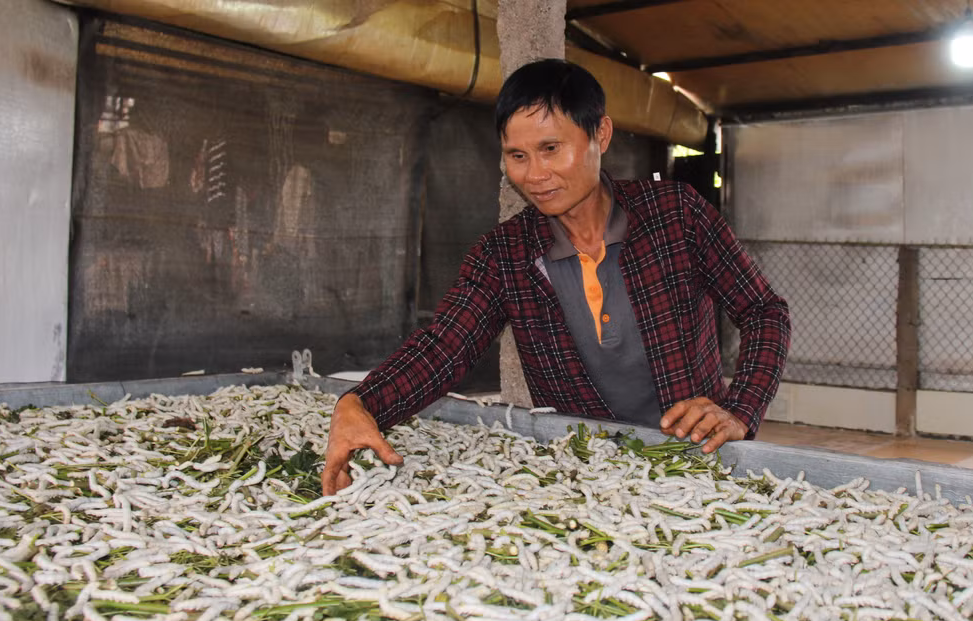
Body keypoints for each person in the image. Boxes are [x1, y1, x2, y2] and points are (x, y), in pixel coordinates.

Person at [321, 59, 790, 496]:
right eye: (517, 155)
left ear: (600, 134)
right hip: (587, 474)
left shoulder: (675, 215)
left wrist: (739, 410)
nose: (535, 174)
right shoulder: (505, 255)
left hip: (697, 463)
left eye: (550, 149)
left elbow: (765, 312)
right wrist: (361, 403)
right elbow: (446, 345)